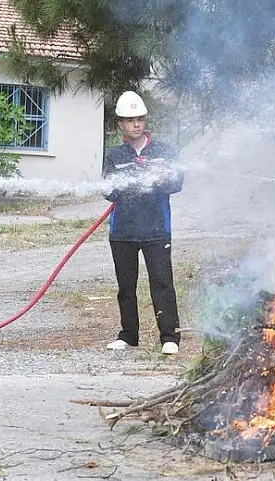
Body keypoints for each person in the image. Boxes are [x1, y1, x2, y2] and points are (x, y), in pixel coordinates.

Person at [103, 90, 184, 355]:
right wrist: (128, 181)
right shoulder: (114, 156)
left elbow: (177, 183)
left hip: (156, 230)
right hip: (122, 231)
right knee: (125, 286)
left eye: (140, 119)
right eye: (130, 120)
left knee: (162, 283)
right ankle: (128, 335)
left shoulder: (164, 151)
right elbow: (108, 190)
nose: (136, 124)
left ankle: (169, 337)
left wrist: (161, 180)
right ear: (121, 125)